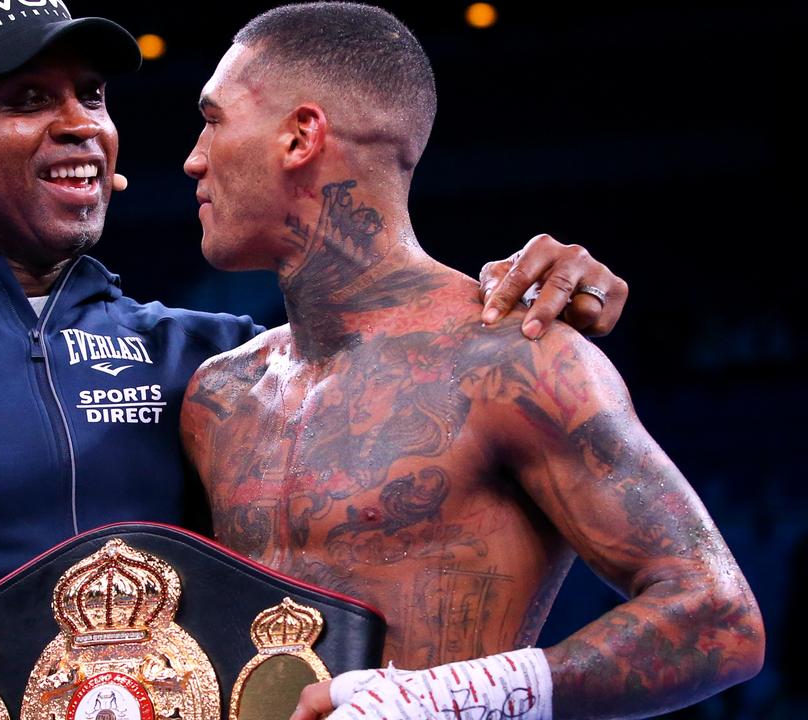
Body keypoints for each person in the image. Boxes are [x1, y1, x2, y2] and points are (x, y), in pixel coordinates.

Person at [0, 2, 630, 718]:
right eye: (26, 100)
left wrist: (534, 283)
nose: (80, 121)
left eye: (90, 94)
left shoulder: (214, 365)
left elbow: (410, 354)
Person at [176, 4, 764, 720]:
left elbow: (719, 619)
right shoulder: (221, 395)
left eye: (214, 119)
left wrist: (448, 700)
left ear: (300, 136)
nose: (194, 158)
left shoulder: (509, 363)